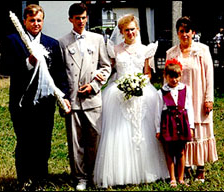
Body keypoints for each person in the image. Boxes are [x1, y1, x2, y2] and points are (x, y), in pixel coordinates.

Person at [93, 14, 169, 189]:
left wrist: (142, 83)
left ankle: (147, 170)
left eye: (133, 29)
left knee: (144, 130)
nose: (130, 32)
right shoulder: (115, 49)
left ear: (138, 30)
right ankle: (120, 172)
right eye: (126, 30)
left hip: (141, 92)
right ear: (121, 32)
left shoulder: (145, 50)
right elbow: (109, 68)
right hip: (119, 91)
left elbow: (147, 72)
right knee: (119, 131)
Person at [0, 4, 70, 190]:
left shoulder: (52, 43)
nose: (36, 24)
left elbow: (59, 73)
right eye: (32, 20)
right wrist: (27, 63)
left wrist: (64, 97)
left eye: (39, 20)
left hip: (45, 103)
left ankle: (40, 178)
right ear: (24, 21)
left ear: (43, 21)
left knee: (43, 141)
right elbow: (5, 68)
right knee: (25, 141)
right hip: (22, 102)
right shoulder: (13, 40)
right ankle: (24, 179)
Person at [58, 2, 111, 191]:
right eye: (77, 18)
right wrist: (63, 98)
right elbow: (60, 73)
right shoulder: (62, 42)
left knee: (94, 139)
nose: (81, 21)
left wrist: (94, 85)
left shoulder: (97, 39)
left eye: (83, 17)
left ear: (87, 18)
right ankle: (80, 177)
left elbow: (106, 67)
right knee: (75, 142)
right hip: (73, 100)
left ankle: (94, 174)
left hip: (93, 99)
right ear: (70, 19)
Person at [166, 16, 218, 183]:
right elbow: (167, 77)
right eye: (181, 31)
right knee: (183, 132)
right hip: (179, 101)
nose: (185, 34)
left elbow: (209, 76)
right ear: (177, 33)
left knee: (201, 131)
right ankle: (186, 167)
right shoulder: (171, 53)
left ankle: (200, 169)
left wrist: (208, 99)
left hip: (199, 96)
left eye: (187, 31)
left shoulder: (202, 50)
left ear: (193, 32)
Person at [155, 59, 194, 187]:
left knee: (181, 151)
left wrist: (191, 126)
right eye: (171, 77)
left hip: (182, 122)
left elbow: (189, 109)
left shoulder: (185, 89)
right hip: (168, 123)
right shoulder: (161, 92)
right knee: (170, 151)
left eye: (176, 77)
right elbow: (157, 112)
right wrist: (158, 130)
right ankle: (172, 178)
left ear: (180, 76)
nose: (174, 80)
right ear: (166, 76)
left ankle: (181, 178)